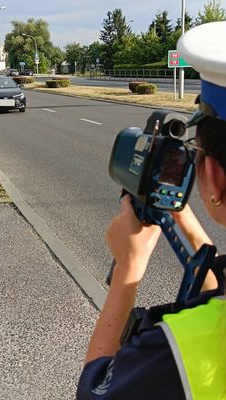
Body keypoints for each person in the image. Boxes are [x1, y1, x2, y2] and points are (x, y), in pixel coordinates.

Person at [77, 21, 226, 400]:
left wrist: (128, 270)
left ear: (213, 175)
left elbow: (94, 390)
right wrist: (176, 211)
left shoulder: (180, 351)